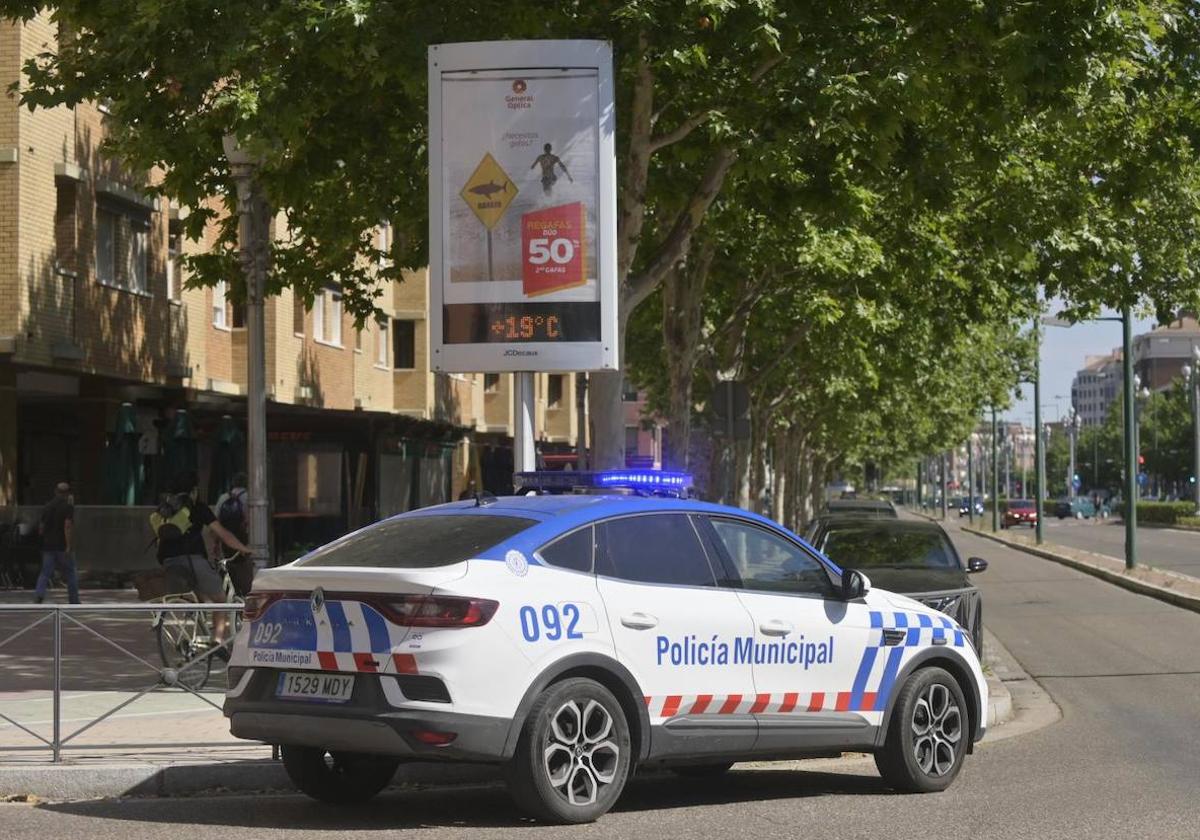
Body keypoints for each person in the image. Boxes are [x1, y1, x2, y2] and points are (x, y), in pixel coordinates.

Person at [152, 470, 251, 644]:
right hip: (193, 560)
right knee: (220, 600)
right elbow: (223, 534)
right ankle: (217, 642)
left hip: (168, 561)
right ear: (194, 491)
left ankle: (196, 638)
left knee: (199, 597)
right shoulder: (198, 508)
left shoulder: (166, 510)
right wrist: (244, 548)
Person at [35, 482, 79, 604]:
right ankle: (74, 600)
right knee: (71, 573)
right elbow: (67, 526)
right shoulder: (68, 507)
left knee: (45, 572)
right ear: (68, 493)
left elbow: (41, 528)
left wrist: (43, 540)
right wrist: (69, 545)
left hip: (48, 545)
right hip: (62, 545)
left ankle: (39, 595)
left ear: (55, 491)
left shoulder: (47, 506)